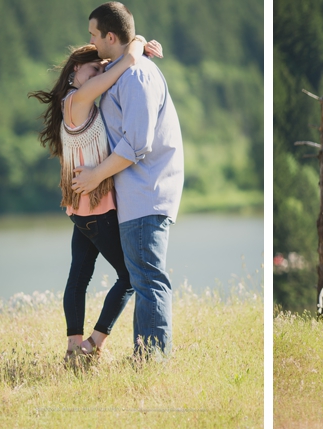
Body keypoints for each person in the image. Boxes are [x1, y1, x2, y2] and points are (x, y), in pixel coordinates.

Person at [28, 38, 162, 363]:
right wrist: (137, 43)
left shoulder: (75, 100)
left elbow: (117, 68)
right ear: (76, 69)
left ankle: (74, 349)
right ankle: (93, 344)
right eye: (95, 68)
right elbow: (123, 65)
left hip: (82, 207)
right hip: (95, 209)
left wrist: (131, 52)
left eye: (102, 69)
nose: (101, 74)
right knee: (129, 276)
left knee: (79, 277)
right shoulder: (77, 99)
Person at [72, 2, 184, 358]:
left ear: (109, 36)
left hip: (145, 192)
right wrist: (138, 42)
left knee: (148, 280)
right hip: (136, 193)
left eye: (93, 34)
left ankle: (151, 361)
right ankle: (146, 357)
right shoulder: (122, 70)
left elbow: (137, 144)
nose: (90, 41)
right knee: (142, 278)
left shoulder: (137, 77)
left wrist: (94, 176)